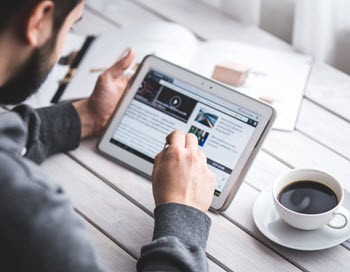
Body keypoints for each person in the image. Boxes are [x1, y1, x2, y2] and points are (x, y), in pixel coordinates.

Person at [0, 1, 216, 271]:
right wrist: (183, 215)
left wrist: (87, 116)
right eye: (71, 26)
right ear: (38, 20)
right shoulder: (33, 216)